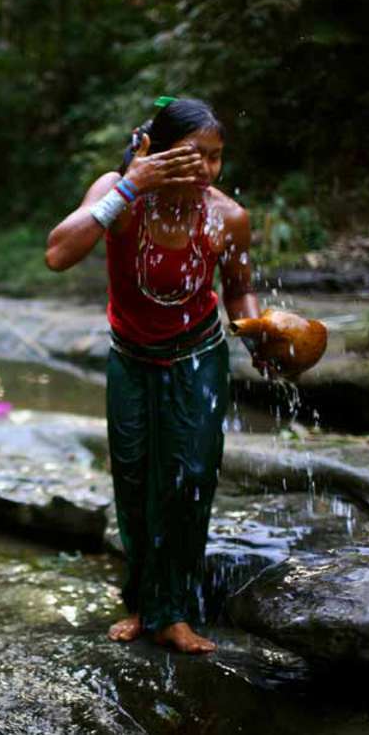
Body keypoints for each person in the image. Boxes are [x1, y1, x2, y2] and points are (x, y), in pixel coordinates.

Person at [44, 97, 263, 654]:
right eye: (193, 155)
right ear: (157, 152)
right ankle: (143, 603)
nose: (206, 170)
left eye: (216, 158)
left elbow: (238, 291)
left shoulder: (226, 215)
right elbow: (58, 253)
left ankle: (177, 613)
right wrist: (130, 184)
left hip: (200, 357)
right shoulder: (119, 195)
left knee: (189, 479)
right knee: (136, 481)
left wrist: (261, 333)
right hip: (131, 360)